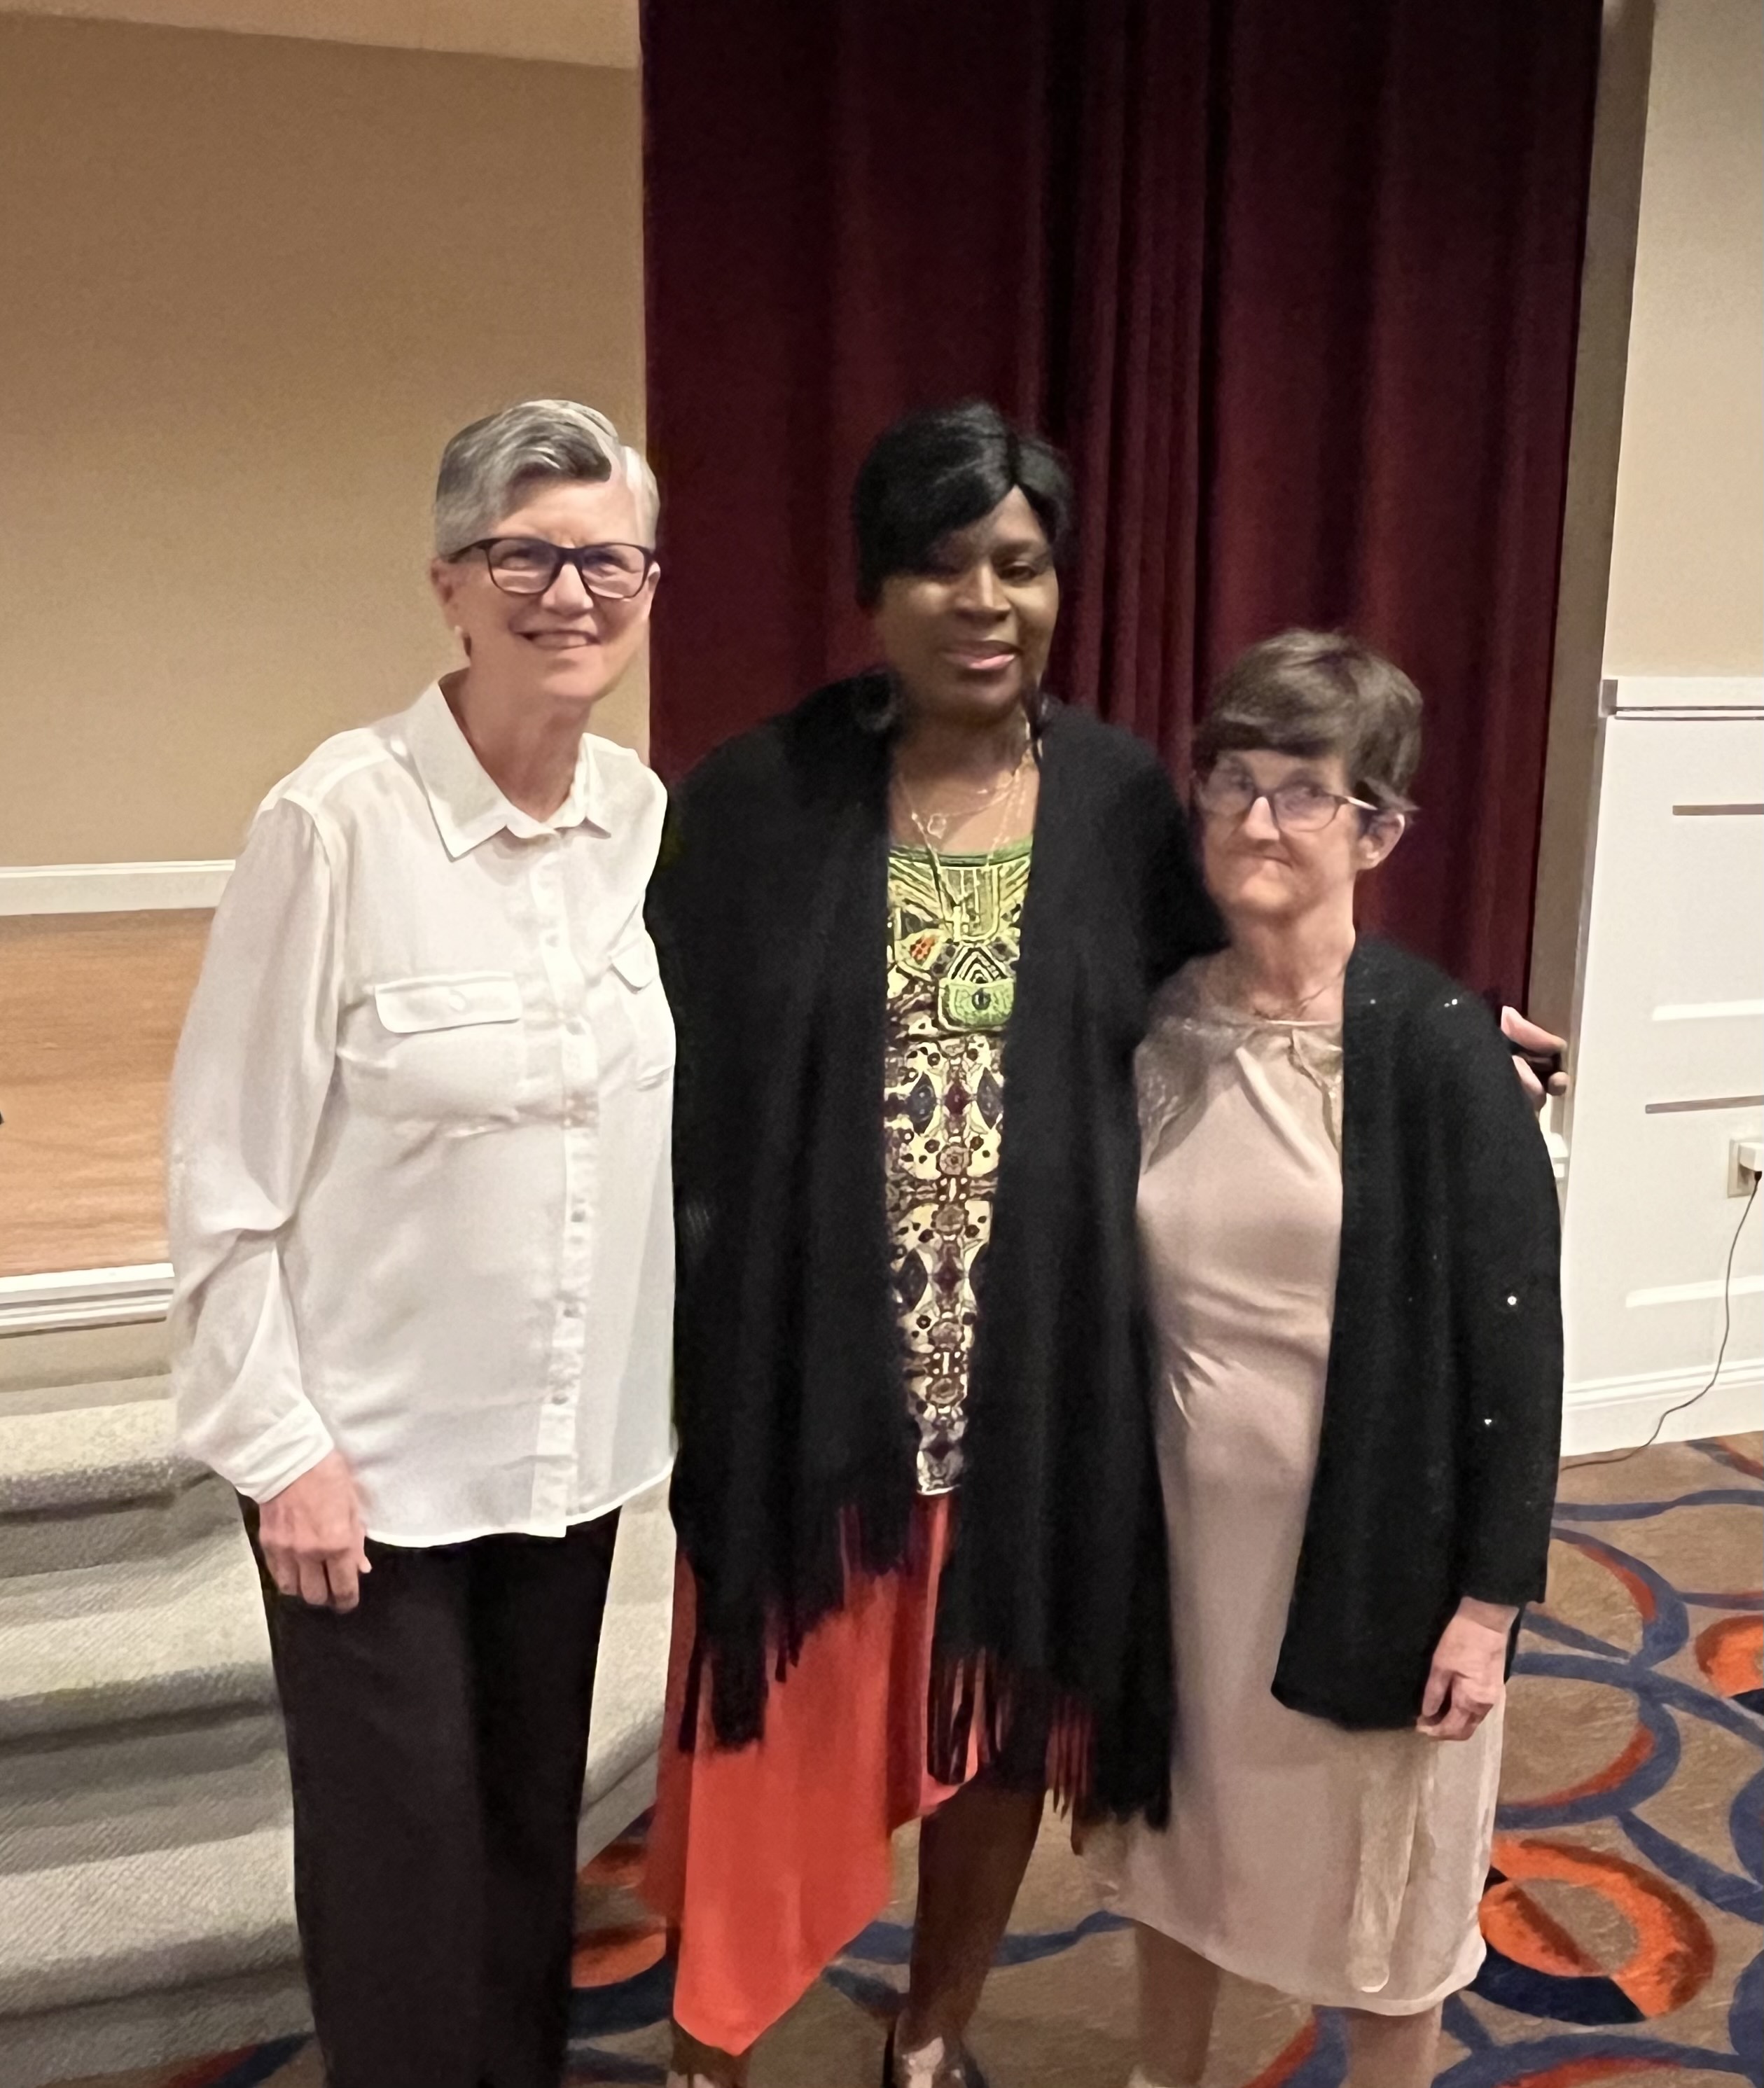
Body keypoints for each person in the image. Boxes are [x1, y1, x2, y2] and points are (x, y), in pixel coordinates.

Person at [642, 401, 1224, 2088]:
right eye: (941, 565)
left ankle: (935, 2021)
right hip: (816, 1393)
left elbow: (1232, 1001)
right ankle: (712, 2040)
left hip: (1032, 1376)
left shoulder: (1117, 804)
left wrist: (1436, 1030)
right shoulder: (760, 799)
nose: (985, 602)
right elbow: (647, 1052)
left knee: (1001, 1716)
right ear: (874, 592)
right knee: (773, 1726)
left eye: (1020, 566)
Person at [167, 401, 674, 2088]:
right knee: (402, 1887)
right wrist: (280, 1453)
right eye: (524, 557)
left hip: (562, 1458)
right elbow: (223, 1174)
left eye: (607, 560)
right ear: (449, 585)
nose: (569, 594)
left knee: (529, 1860)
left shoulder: (637, 817)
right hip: (368, 1482)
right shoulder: (336, 824)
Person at [1095, 632, 1565, 2088]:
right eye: (1232, 779)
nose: (1257, 819)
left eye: (1305, 791)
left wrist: (1488, 1607)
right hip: (1184, 1553)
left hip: (1372, 1553)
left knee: (1387, 1896)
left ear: (1379, 831)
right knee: (1180, 1847)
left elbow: (1518, 1351)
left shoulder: (1438, 1051)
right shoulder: (1158, 1023)